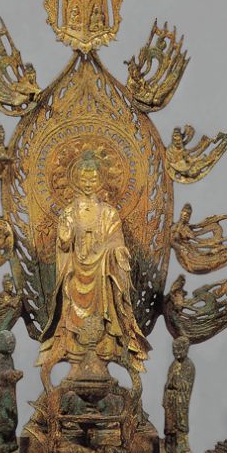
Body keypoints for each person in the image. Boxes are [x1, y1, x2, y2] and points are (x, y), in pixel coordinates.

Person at [37, 150, 149, 384]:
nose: (88, 183)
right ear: (76, 180)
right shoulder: (69, 212)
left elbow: (116, 240)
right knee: (70, 301)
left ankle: (104, 346)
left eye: (93, 179)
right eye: (84, 179)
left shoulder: (109, 213)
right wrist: (65, 237)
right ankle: (73, 347)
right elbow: (63, 244)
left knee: (105, 298)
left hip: (101, 275)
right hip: (76, 273)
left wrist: (117, 251)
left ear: (101, 181)